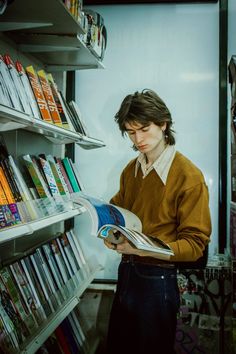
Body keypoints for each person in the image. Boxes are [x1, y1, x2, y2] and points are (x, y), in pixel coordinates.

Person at [104, 89, 212, 354]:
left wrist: (142, 248)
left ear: (163, 124)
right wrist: (110, 231)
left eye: (144, 129)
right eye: (131, 132)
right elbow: (118, 211)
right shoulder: (131, 170)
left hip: (159, 280)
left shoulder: (189, 176)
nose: (138, 139)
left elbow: (195, 245)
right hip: (127, 273)